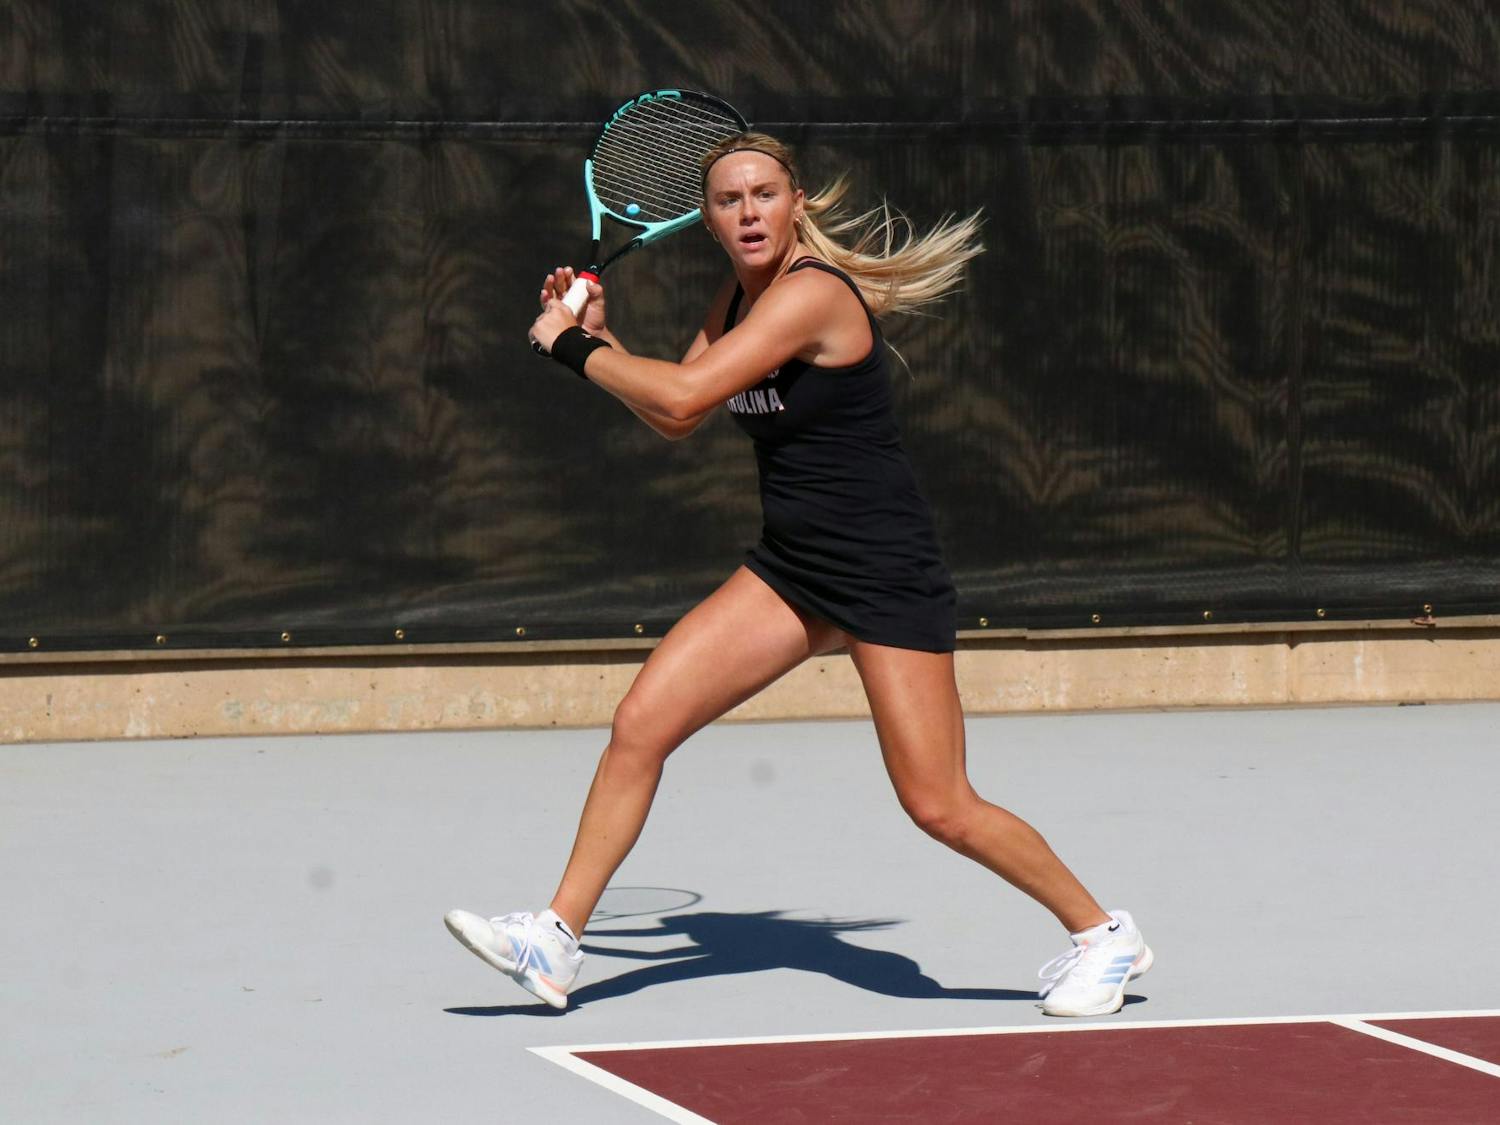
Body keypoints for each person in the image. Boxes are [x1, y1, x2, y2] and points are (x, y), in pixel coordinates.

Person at [445, 132, 1151, 1017]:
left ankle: (1103, 933)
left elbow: (681, 396)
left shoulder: (812, 294)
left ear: (796, 203)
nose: (748, 212)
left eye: (765, 194)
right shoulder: (737, 299)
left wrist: (567, 346)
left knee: (939, 803)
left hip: (883, 571)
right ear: (707, 221)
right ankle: (553, 939)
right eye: (729, 200)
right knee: (641, 723)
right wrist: (598, 337)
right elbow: (679, 410)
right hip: (792, 568)